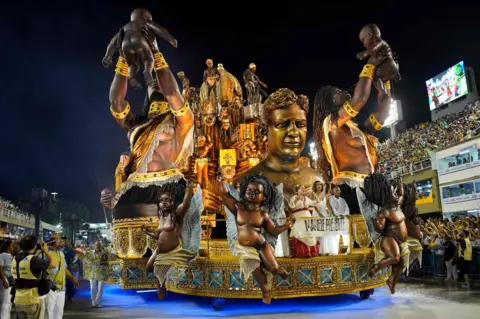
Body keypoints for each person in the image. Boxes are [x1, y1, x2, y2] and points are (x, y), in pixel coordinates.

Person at [313, 51, 391, 214]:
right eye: (338, 91)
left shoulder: (352, 128)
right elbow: (360, 99)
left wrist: (386, 95)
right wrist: (370, 65)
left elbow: (380, 119)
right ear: (331, 101)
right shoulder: (330, 123)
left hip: (371, 185)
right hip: (353, 189)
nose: (343, 91)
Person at [235, 88, 324, 199]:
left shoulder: (316, 179)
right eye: (282, 124)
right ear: (264, 131)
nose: (294, 132)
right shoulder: (247, 181)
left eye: (300, 124)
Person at [221, 173, 294, 304]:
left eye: (256, 191)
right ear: (243, 192)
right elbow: (225, 196)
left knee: (273, 268)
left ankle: (281, 272)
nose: (252, 193)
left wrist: (285, 226)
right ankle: (265, 291)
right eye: (249, 190)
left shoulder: (263, 214)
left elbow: (272, 230)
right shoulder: (239, 208)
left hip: (261, 244)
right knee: (254, 267)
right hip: (245, 248)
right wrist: (222, 181)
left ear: (263, 196)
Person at [102, 8, 177, 90]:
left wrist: (108, 56)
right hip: (139, 40)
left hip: (125, 44)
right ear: (147, 16)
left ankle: (132, 77)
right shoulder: (145, 21)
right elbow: (159, 29)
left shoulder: (125, 27)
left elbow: (113, 42)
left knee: (132, 64)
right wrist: (170, 38)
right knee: (149, 58)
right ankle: (147, 71)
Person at [12, 236, 55, 319]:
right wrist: (46, 251)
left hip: (18, 299)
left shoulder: (15, 258)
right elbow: (53, 264)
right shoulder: (33, 260)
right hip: (32, 299)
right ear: (34, 246)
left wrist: (37, 251)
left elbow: (28, 260)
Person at [356, 23, 400, 94]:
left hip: (388, 66)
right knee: (379, 78)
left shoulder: (380, 42)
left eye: (363, 40)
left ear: (369, 35)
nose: (363, 43)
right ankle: (385, 89)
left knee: (373, 77)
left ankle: (382, 91)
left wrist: (365, 53)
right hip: (392, 68)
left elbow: (374, 48)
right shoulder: (383, 44)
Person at [45, 234, 79, 319]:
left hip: (61, 288)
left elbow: (64, 268)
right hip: (50, 288)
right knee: (49, 314)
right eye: (58, 239)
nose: (61, 240)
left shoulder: (61, 254)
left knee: (59, 313)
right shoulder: (46, 254)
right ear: (52, 241)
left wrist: (72, 278)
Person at [84, 241, 109, 307]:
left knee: (100, 288)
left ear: (100, 246)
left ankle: (98, 301)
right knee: (92, 288)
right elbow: (86, 261)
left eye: (98, 245)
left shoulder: (104, 253)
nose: (97, 246)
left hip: (101, 272)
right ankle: (93, 301)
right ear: (94, 245)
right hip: (92, 272)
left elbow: (106, 263)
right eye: (96, 245)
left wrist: (106, 272)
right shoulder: (90, 253)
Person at [0, 240, 14, 318]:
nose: (13, 247)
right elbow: (0, 268)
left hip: (11, 280)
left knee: (9, 301)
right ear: (8, 247)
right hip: (5, 279)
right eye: (12, 245)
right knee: (6, 302)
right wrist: (4, 281)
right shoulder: (2, 255)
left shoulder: (11, 256)